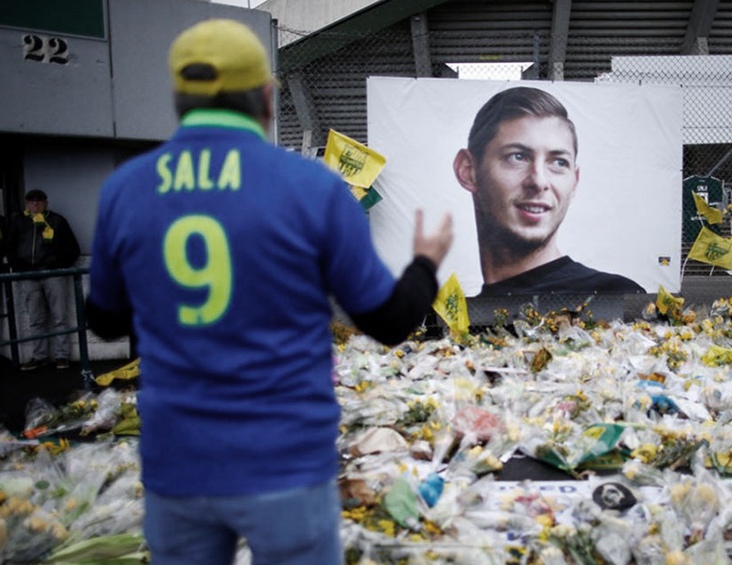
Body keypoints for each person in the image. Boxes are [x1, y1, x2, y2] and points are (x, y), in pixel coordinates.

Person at [85, 19, 452, 565]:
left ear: (179, 98)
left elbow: (105, 321)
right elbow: (390, 321)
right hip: (285, 460)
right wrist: (426, 260)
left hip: (177, 461)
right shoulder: (313, 188)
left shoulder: (125, 189)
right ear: (264, 97)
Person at [453, 86, 644, 296]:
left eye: (559, 162)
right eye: (517, 157)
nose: (539, 181)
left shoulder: (614, 297)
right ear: (468, 171)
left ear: (575, 182)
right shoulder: (452, 316)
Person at [6, 189, 80, 370]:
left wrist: (57, 265)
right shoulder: (19, 222)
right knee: (36, 318)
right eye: (32, 201)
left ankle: (62, 355)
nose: (36, 204)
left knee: (59, 315)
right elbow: (10, 247)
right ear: (26, 203)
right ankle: (40, 356)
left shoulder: (57, 221)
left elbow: (73, 249)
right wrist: (19, 268)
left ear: (46, 202)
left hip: (52, 274)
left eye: (39, 201)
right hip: (29, 275)